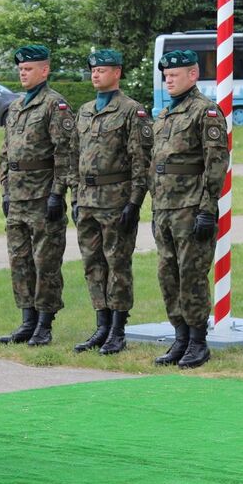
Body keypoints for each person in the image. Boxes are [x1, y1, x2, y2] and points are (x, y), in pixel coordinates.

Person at [70, 49, 153, 355]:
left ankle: (118, 329)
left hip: (116, 200)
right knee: (92, 264)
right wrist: (74, 197)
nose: (95, 74)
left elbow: (140, 161)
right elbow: (74, 157)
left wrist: (134, 203)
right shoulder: (85, 110)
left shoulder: (132, 110)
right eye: (93, 70)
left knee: (117, 264)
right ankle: (101, 325)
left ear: (116, 73)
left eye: (102, 70)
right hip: (88, 199)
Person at [150, 50, 228, 369]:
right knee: (167, 273)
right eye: (166, 76)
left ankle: (198, 341)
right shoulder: (165, 114)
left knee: (191, 275)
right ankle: (180, 337)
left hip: (192, 208)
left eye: (175, 75)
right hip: (164, 209)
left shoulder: (205, 112)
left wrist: (208, 209)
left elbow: (216, 163)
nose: (168, 79)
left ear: (193, 75)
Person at [0, 45, 74, 347]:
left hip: (43, 196)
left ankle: (45, 322)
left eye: (28, 69)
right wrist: (5, 189)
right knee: (20, 260)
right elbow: (6, 151)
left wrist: (58, 193)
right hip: (17, 196)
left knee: (46, 262)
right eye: (20, 69)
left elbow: (64, 152)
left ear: (44, 70)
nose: (23, 73)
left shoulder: (55, 105)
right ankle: (27, 319)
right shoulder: (16, 106)